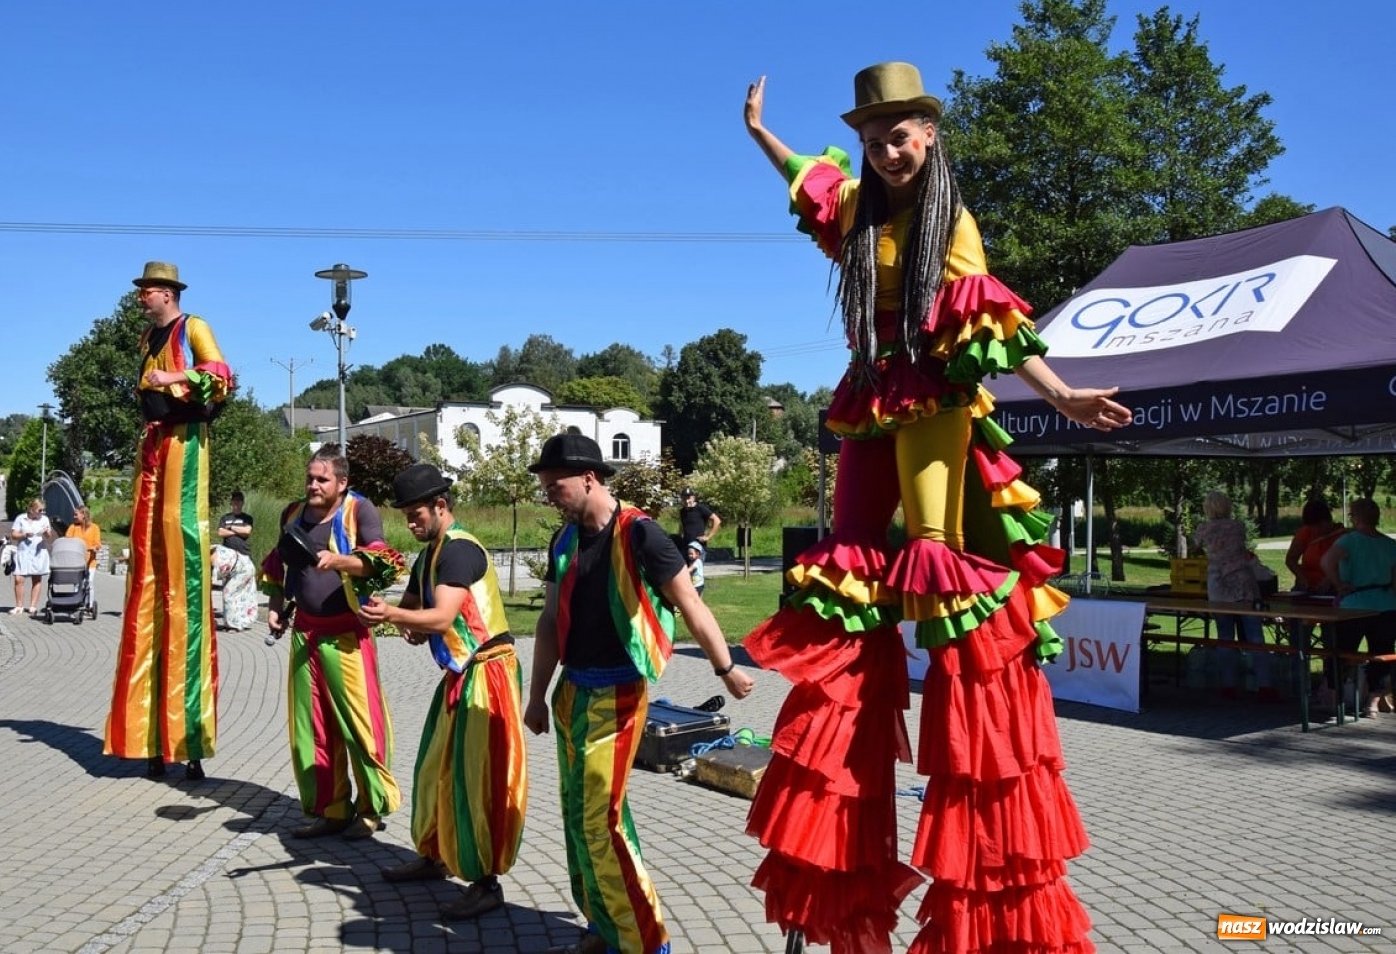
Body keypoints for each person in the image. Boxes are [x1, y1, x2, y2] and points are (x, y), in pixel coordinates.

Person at [741, 64, 1130, 953]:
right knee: (845, 569)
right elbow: (811, 174)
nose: (886, 150)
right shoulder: (859, 213)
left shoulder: (950, 221)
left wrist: (1062, 395)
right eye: (875, 138)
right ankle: (837, 838)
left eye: (900, 134)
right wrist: (760, 133)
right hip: (869, 395)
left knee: (933, 557)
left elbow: (991, 325)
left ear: (930, 136)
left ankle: (982, 837)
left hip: (937, 399)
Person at [523, 432, 754, 954]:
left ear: (589, 478)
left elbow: (691, 606)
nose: (549, 496)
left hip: (619, 695)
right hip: (570, 695)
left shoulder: (641, 534)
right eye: (544, 488)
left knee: (600, 820)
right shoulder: (563, 540)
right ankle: (603, 923)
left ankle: (646, 941)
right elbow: (547, 624)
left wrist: (726, 669)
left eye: (554, 486)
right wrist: (537, 696)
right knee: (576, 817)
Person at [358, 463, 527, 922]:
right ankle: (434, 856)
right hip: (460, 673)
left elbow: (439, 618)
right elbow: (415, 609)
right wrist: (379, 605)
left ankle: (486, 882)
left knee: (477, 780)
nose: (410, 523)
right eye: (406, 516)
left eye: (416, 515)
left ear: (440, 505)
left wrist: (396, 618)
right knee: (435, 768)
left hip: (488, 674)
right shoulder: (429, 554)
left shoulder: (457, 552)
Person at [104, 261, 232, 782]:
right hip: (153, 449)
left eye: (148, 291)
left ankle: (187, 740)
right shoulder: (145, 337)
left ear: (167, 294)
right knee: (148, 585)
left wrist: (172, 376)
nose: (141, 298)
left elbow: (221, 376)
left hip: (183, 447)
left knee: (184, 581)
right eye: (141, 290)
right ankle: (150, 738)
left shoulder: (192, 327)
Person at [260, 447, 405, 839]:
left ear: (342, 483)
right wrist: (277, 607)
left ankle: (370, 809)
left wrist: (336, 560)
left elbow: (383, 562)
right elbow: (279, 563)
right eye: (310, 477)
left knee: (360, 727)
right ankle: (331, 809)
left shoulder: (359, 511)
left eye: (322, 479)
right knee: (314, 728)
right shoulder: (292, 513)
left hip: (347, 636)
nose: (313, 485)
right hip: (305, 633)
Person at [1193, 491, 1273, 700]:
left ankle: (1228, 684)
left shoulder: (1204, 529)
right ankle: (1264, 685)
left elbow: (1196, 547)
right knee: (1255, 636)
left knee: (1225, 636)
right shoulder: (1238, 526)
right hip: (1243, 583)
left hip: (1218, 585)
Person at [1320, 498, 1396, 719]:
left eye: (1351, 515)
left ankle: (1335, 701)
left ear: (1357, 518)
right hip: (1386, 604)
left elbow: (1327, 562)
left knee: (1342, 652)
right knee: (1380, 652)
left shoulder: (1349, 541)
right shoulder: (1390, 544)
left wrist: (1338, 584)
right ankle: (1372, 704)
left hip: (1355, 604)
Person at [1285, 498, 1346, 594]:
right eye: (1312, 527)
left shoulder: (1344, 536)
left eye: (1320, 526)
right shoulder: (1305, 532)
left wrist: (1330, 579)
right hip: (1307, 588)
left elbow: (1348, 566)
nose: (1316, 530)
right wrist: (1302, 577)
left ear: (1328, 520)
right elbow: (1291, 559)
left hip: (1333, 588)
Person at [10, 499, 53, 614]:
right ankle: (19, 606)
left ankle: (32, 606)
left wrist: (46, 532)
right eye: (40, 510)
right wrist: (24, 534)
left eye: (43, 510)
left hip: (38, 551)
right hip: (23, 551)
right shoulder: (21, 518)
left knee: (36, 578)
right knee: (18, 579)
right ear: (31, 509)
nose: (42, 512)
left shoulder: (44, 519)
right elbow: (14, 535)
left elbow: (49, 536)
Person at [211, 544, 259, 632]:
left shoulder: (214, 557)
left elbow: (212, 581)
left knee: (228, 595)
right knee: (235, 596)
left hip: (244, 570)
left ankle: (233, 625)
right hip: (239, 568)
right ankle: (235, 622)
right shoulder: (214, 550)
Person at [65, 504, 102, 570]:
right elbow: (67, 543)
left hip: (89, 563)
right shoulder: (72, 527)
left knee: (88, 580)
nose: (74, 517)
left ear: (84, 515)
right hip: (74, 563)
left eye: (76, 514)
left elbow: (97, 544)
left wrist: (95, 548)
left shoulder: (95, 528)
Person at [217, 490, 253, 556]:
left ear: (242, 503)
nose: (236, 502)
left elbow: (246, 531)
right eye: (234, 500)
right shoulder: (225, 517)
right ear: (231, 502)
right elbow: (221, 532)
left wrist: (231, 527)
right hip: (227, 553)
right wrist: (238, 532)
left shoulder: (247, 518)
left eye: (239, 500)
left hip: (243, 553)